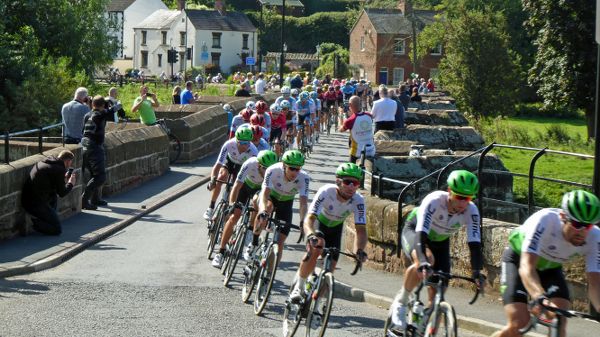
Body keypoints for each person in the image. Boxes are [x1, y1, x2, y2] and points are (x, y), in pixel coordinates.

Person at [493, 190, 600, 337]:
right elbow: (527, 267)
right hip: (519, 261)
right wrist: (539, 297)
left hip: (550, 268)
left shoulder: (595, 237)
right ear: (563, 217)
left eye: (588, 226)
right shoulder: (545, 220)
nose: (582, 232)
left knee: (559, 319)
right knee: (519, 324)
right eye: (576, 224)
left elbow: (595, 283)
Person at [389, 170, 484, 331]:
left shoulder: (471, 211)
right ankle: (401, 301)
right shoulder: (434, 201)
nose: (463, 203)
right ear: (449, 191)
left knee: (438, 297)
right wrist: (423, 261)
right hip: (415, 232)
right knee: (427, 260)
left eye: (467, 198)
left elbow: (475, 245)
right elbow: (421, 237)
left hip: (441, 242)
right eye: (459, 197)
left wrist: (476, 272)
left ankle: (423, 326)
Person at [288, 162, 368, 301]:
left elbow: (361, 230)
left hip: (336, 229)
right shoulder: (326, 191)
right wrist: (310, 235)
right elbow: (309, 219)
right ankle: (298, 288)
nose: (351, 187)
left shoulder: (358, 200)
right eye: (348, 182)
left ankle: (317, 305)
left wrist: (359, 251)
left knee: (330, 268)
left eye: (355, 183)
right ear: (338, 181)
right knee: (316, 247)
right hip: (320, 224)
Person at [211, 150, 279, 267]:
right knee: (234, 216)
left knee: (257, 206)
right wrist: (232, 203)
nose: (267, 171)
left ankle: (251, 229)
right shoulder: (250, 163)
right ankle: (221, 252)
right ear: (258, 165)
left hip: (260, 191)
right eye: (264, 168)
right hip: (245, 187)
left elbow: (272, 196)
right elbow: (237, 186)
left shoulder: (275, 172)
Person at [245, 150, 309, 261]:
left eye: (298, 169)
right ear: (284, 166)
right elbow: (264, 194)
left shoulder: (304, 178)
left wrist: (302, 221)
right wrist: (263, 211)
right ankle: (254, 243)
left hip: (286, 202)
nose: (295, 172)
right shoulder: (273, 170)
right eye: (291, 168)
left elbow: (303, 202)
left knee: (280, 242)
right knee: (267, 208)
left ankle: (269, 275)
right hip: (271, 197)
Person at [203, 127, 258, 220]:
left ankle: (228, 207)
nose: (245, 146)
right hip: (230, 162)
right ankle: (211, 207)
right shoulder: (229, 144)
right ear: (236, 140)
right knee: (221, 177)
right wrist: (213, 179)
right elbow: (218, 164)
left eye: (247, 143)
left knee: (236, 186)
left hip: (241, 166)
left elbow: (253, 169)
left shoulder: (253, 151)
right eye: (242, 143)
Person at [21, 150, 77, 235]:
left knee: (54, 196)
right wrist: (70, 183)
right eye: (70, 163)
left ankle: (47, 218)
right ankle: (33, 223)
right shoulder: (59, 169)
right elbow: (62, 193)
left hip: (29, 198)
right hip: (35, 203)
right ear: (68, 161)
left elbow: (53, 186)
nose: (70, 165)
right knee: (57, 229)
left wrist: (62, 180)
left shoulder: (49, 162)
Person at [81, 96, 122, 210]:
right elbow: (115, 108)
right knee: (100, 177)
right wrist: (116, 102)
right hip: (94, 147)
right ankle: (84, 200)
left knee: (94, 174)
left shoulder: (87, 115)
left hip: (84, 145)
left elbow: (83, 131)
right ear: (103, 105)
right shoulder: (99, 115)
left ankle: (95, 199)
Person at [339, 96, 375, 163]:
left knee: (350, 171)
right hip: (371, 150)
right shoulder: (369, 115)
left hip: (357, 153)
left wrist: (341, 116)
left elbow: (341, 129)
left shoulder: (350, 120)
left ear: (350, 105)